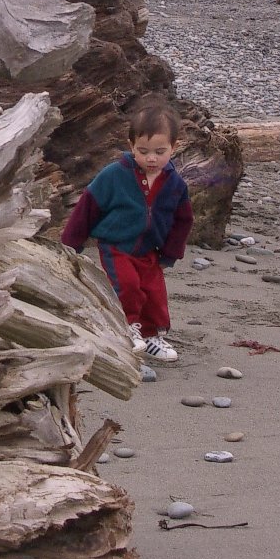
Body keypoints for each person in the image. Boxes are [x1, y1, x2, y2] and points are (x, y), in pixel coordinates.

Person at [61, 99, 194, 367]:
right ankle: (126, 327)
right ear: (131, 145)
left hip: (150, 249)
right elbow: (88, 207)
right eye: (143, 151)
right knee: (127, 285)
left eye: (159, 151)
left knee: (155, 293)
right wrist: (70, 243)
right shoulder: (114, 175)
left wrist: (171, 252)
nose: (151, 158)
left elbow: (183, 220)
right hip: (116, 245)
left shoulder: (175, 184)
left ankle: (152, 334)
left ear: (174, 147)